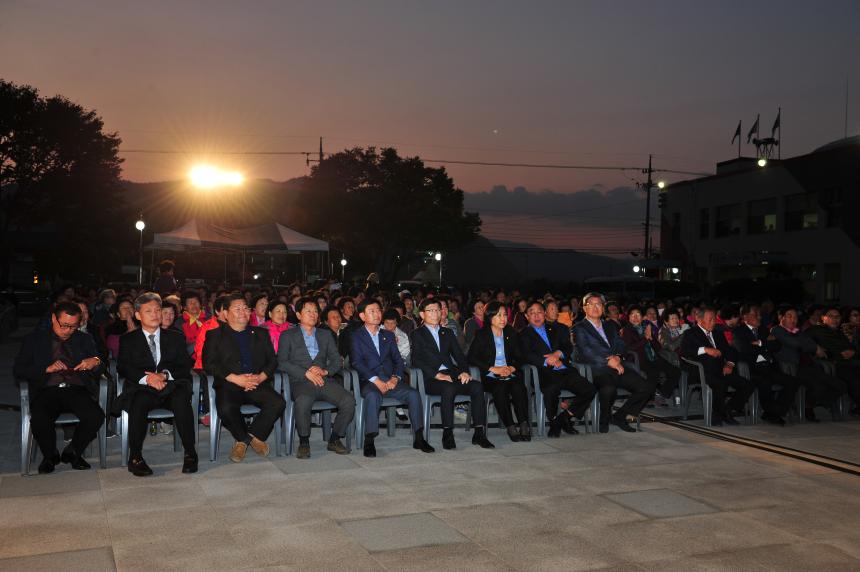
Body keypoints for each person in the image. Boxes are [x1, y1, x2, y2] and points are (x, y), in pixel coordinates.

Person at [14, 302, 105, 474]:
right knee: (40, 418)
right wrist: (46, 369)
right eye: (64, 325)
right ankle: (50, 455)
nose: (68, 330)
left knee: (95, 416)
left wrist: (95, 362)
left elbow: (101, 364)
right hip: (47, 389)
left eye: (73, 326)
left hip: (76, 389)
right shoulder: (34, 340)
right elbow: (19, 370)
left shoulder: (83, 339)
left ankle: (73, 451)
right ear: (53, 319)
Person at [116, 293, 198, 476]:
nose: (155, 314)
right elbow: (124, 367)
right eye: (148, 311)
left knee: (181, 399)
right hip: (143, 388)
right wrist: (148, 379)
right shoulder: (128, 340)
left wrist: (164, 375)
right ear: (138, 315)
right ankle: (135, 456)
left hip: (170, 386)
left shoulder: (175, 337)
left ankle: (191, 453)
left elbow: (184, 364)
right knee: (139, 401)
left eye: (157, 310)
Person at [203, 294, 286, 462]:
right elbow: (209, 363)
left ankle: (246, 438)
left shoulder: (261, 333)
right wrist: (235, 378)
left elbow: (272, 360)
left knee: (278, 403)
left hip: (257, 382)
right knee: (226, 408)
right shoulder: (215, 335)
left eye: (246, 308)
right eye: (237, 308)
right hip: (230, 384)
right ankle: (247, 440)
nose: (243, 312)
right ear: (225, 314)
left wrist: (261, 377)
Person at [350, 300, 434, 457]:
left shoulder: (388, 335)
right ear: (362, 316)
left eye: (378, 310)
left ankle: (419, 437)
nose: (377, 314)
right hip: (369, 382)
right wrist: (376, 380)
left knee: (414, 394)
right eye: (372, 311)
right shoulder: (356, 336)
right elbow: (356, 362)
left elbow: (398, 360)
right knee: (373, 396)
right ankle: (370, 440)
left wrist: (395, 377)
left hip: (391, 380)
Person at [410, 298, 494, 450]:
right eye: (431, 310)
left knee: (476, 386)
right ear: (422, 314)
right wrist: (436, 374)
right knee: (449, 388)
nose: (436, 313)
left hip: (451, 374)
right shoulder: (417, 334)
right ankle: (447, 433)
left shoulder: (447, 332)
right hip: (430, 378)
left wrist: (464, 371)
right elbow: (416, 360)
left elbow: (459, 356)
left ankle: (479, 433)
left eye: (438, 310)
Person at [277, 298, 355, 459]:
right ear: (298, 315)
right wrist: (305, 373)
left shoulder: (325, 334)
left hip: (323, 379)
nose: (313, 314)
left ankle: (334, 439)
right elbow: (282, 362)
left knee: (349, 400)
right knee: (303, 401)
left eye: (315, 311)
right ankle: (304, 442)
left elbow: (336, 360)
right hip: (300, 381)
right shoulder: (288, 335)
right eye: (308, 311)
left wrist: (325, 371)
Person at [573, 294, 656, 433]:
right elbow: (586, 351)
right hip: (596, 369)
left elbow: (621, 344)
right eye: (591, 304)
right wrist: (608, 360)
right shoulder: (580, 327)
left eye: (598, 304)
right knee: (608, 388)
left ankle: (619, 416)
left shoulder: (609, 326)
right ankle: (604, 419)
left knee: (646, 387)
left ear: (603, 308)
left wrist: (617, 356)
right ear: (584, 308)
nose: (595, 307)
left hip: (618, 366)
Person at [520, 300, 596, 436]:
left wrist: (558, 354)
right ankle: (554, 420)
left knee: (589, 389)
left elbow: (567, 346)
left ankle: (564, 418)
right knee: (551, 389)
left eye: (539, 312)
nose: (536, 316)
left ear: (544, 314)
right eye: (532, 313)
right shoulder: (523, 334)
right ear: (526, 317)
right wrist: (546, 361)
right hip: (542, 372)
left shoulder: (557, 329)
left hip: (564, 369)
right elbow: (525, 355)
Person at [680, 307, 756, 426]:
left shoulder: (718, 333)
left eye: (714, 320)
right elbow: (684, 352)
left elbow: (731, 351)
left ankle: (727, 410)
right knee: (720, 383)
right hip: (702, 372)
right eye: (709, 320)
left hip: (721, 370)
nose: (713, 323)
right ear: (699, 320)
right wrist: (705, 349)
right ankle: (716, 416)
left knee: (748, 385)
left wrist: (729, 364)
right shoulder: (690, 333)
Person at [468, 301, 531, 442]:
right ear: (490, 317)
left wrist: (512, 368)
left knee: (519, 386)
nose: (503, 319)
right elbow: (471, 357)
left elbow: (521, 356)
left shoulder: (511, 332)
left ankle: (524, 423)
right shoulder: (482, 334)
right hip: (491, 375)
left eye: (504, 315)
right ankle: (510, 426)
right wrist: (492, 368)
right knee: (500, 388)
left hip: (509, 372)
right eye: (498, 315)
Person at [772, 305, 846, 422]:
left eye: (795, 317)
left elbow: (807, 341)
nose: (793, 320)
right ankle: (807, 407)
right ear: (781, 317)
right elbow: (794, 343)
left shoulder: (797, 331)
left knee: (840, 385)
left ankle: (810, 404)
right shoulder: (777, 330)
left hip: (808, 365)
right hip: (792, 368)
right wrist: (815, 348)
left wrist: (812, 346)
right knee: (818, 385)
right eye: (789, 316)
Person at [731, 304, 799, 426]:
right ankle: (772, 413)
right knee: (765, 382)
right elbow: (744, 349)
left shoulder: (763, 329)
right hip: (752, 368)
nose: (759, 317)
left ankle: (774, 412)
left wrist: (760, 343)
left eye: (759, 315)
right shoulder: (738, 331)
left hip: (769, 366)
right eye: (755, 315)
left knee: (792, 382)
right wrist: (766, 346)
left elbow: (777, 346)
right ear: (745, 317)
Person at [806, 306, 860, 416]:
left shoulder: (840, 333)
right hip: (834, 363)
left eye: (838, 317)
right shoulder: (816, 330)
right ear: (823, 318)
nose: (835, 319)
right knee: (852, 377)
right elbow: (802, 339)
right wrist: (816, 347)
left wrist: (852, 352)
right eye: (831, 316)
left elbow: (853, 348)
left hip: (849, 362)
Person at [622, 305, 681, 401]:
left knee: (676, 371)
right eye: (632, 315)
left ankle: (662, 392)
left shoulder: (646, 327)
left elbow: (657, 347)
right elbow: (629, 348)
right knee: (654, 372)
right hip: (639, 359)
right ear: (628, 318)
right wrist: (645, 339)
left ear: (642, 317)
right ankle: (648, 396)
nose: (635, 317)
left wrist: (651, 338)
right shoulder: (627, 330)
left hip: (653, 357)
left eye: (638, 314)